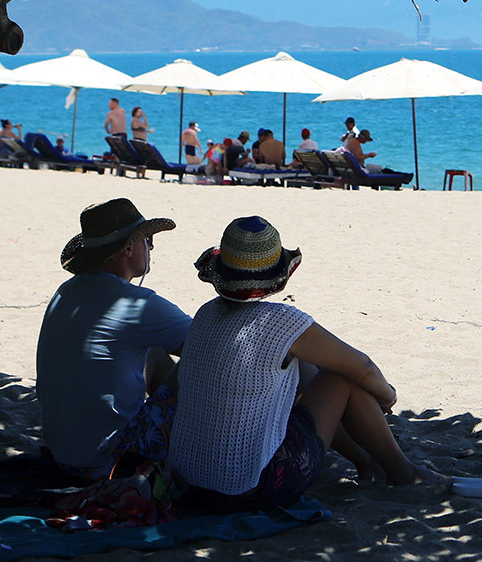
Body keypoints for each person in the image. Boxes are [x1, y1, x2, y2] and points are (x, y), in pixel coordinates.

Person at [169, 217, 445, 511]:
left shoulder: (204, 315)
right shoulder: (281, 321)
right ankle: (402, 471)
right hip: (250, 489)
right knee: (341, 379)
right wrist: (388, 395)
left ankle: (365, 461)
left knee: (303, 370)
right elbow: (362, 366)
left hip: (188, 485)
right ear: (278, 276)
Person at [36, 199, 190, 477]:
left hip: (63, 453)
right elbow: (210, 346)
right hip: (108, 463)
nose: (152, 248)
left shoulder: (67, 291)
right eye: (148, 240)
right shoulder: (137, 304)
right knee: (198, 364)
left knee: (152, 348)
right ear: (129, 248)